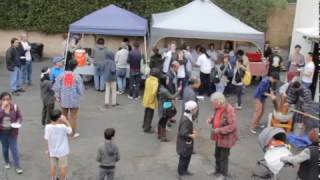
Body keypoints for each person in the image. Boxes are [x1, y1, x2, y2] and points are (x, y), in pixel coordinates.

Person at [207, 92, 239, 180]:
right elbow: (215, 116)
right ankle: (217, 170)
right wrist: (211, 119)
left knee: (224, 156)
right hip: (218, 137)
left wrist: (219, 130)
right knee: (217, 154)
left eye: (214, 103)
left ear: (220, 102)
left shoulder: (229, 109)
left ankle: (223, 174)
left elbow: (233, 126)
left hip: (226, 138)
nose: (213, 105)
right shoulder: (217, 107)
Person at [53, 60, 85, 138]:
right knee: (73, 117)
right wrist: (81, 94)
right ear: (75, 67)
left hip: (64, 98)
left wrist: (57, 96)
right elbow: (80, 90)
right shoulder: (77, 76)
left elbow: (56, 87)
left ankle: (63, 133)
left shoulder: (61, 75)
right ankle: (72, 133)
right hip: (74, 99)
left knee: (63, 116)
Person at [44, 109, 72, 180]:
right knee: (63, 167)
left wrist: (48, 149)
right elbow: (70, 131)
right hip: (62, 151)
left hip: (52, 150)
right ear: (58, 118)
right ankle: (63, 178)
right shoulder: (62, 127)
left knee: (53, 166)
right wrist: (66, 121)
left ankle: (53, 178)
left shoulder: (47, 127)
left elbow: (46, 139)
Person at [0, 92, 23, 174]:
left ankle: (18, 166)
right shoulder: (0, 108)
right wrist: (2, 109)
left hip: (12, 132)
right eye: (4, 99)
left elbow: (20, 117)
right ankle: (6, 161)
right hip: (2, 133)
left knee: (14, 149)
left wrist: (18, 122)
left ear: (11, 100)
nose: (6, 101)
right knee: (5, 148)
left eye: (8, 99)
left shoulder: (15, 107)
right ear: (1, 100)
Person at [176, 100, 198, 180]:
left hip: (187, 142)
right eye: (195, 109)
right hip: (183, 143)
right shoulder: (185, 119)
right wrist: (191, 135)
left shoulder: (188, 115)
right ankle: (180, 173)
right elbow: (182, 133)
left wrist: (192, 131)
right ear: (191, 109)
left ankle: (185, 170)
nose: (196, 110)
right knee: (183, 158)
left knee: (188, 156)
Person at [157, 76, 181, 142]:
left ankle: (159, 135)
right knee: (163, 122)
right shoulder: (164, 90)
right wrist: (178, 91)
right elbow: (171, 97)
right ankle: (163, 137)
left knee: (161, 120)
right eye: (167, 79)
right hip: (165, 106)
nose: (168, 81)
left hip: (161, 105)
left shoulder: (160, 87)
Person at [142, 68, 160, 133]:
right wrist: (152, 101)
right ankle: (147, 128)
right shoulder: (156, 82)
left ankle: (144, 125)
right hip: (151, 100)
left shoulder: (148, 79)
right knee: (150, 115)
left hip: (146, 98)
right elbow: (154, 92)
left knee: (146, 112)